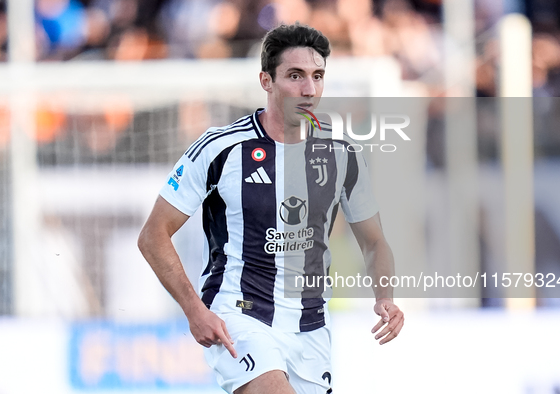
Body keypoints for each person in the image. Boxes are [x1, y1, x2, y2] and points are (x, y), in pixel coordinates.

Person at [138, 23, 404, 394]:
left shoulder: (342, 156)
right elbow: (153, 235)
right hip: (239, 317)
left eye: (317, 76)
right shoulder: (221, 149)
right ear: (266, 80)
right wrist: (194, 309)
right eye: (295, 76)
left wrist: (384, 298)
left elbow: (374, 242)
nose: (308, 89)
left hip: (310, 328)